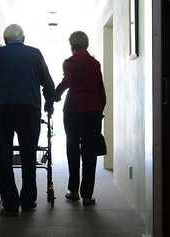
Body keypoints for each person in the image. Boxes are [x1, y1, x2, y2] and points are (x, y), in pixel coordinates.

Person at [0, 24, 55, 216]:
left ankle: (10, 203)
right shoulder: (35, 54)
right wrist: (50, 102)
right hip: (29, 110)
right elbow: (48, 84)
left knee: (2, 155)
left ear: (5, 40)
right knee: (28, 154)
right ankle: (28, 200)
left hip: (2, 109)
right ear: (23, 38)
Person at [54, 31, 106, 206]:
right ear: (87, 44)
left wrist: (56, 94)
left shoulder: (70, 62)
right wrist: (100, 110)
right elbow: (101, 89)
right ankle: (87, 195)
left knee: (73, 149)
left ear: (72, 45)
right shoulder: (95, 63)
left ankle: (73, 191)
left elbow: (67, 81)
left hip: (73, 111)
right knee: (90, 152)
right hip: (93, 112)